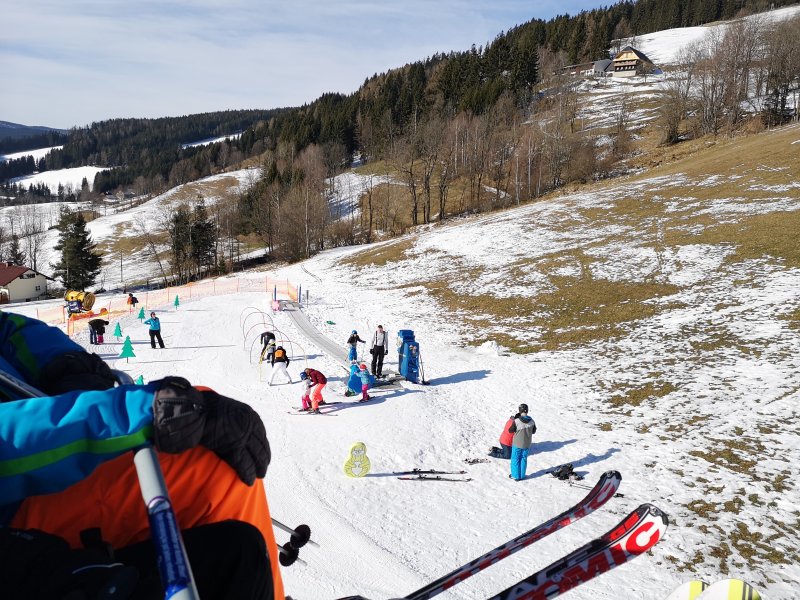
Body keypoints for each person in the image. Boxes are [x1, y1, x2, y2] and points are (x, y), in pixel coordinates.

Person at [0, 311, 284, 599]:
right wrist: (138, 413)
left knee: (209, 448)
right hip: (14, 504)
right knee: (210, 469)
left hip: (37, 446)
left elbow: (7, 327)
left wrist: (66, 362)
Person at [508, 404, 537, 481]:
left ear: (519, 411)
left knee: (515, 459)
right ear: (527, 411)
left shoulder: (517, 421)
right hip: (527, 444)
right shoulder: (532, 421)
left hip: (517, 444)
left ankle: (515, 476)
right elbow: (534, 431)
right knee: (523, 459)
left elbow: (510, 430)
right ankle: (522, 475)